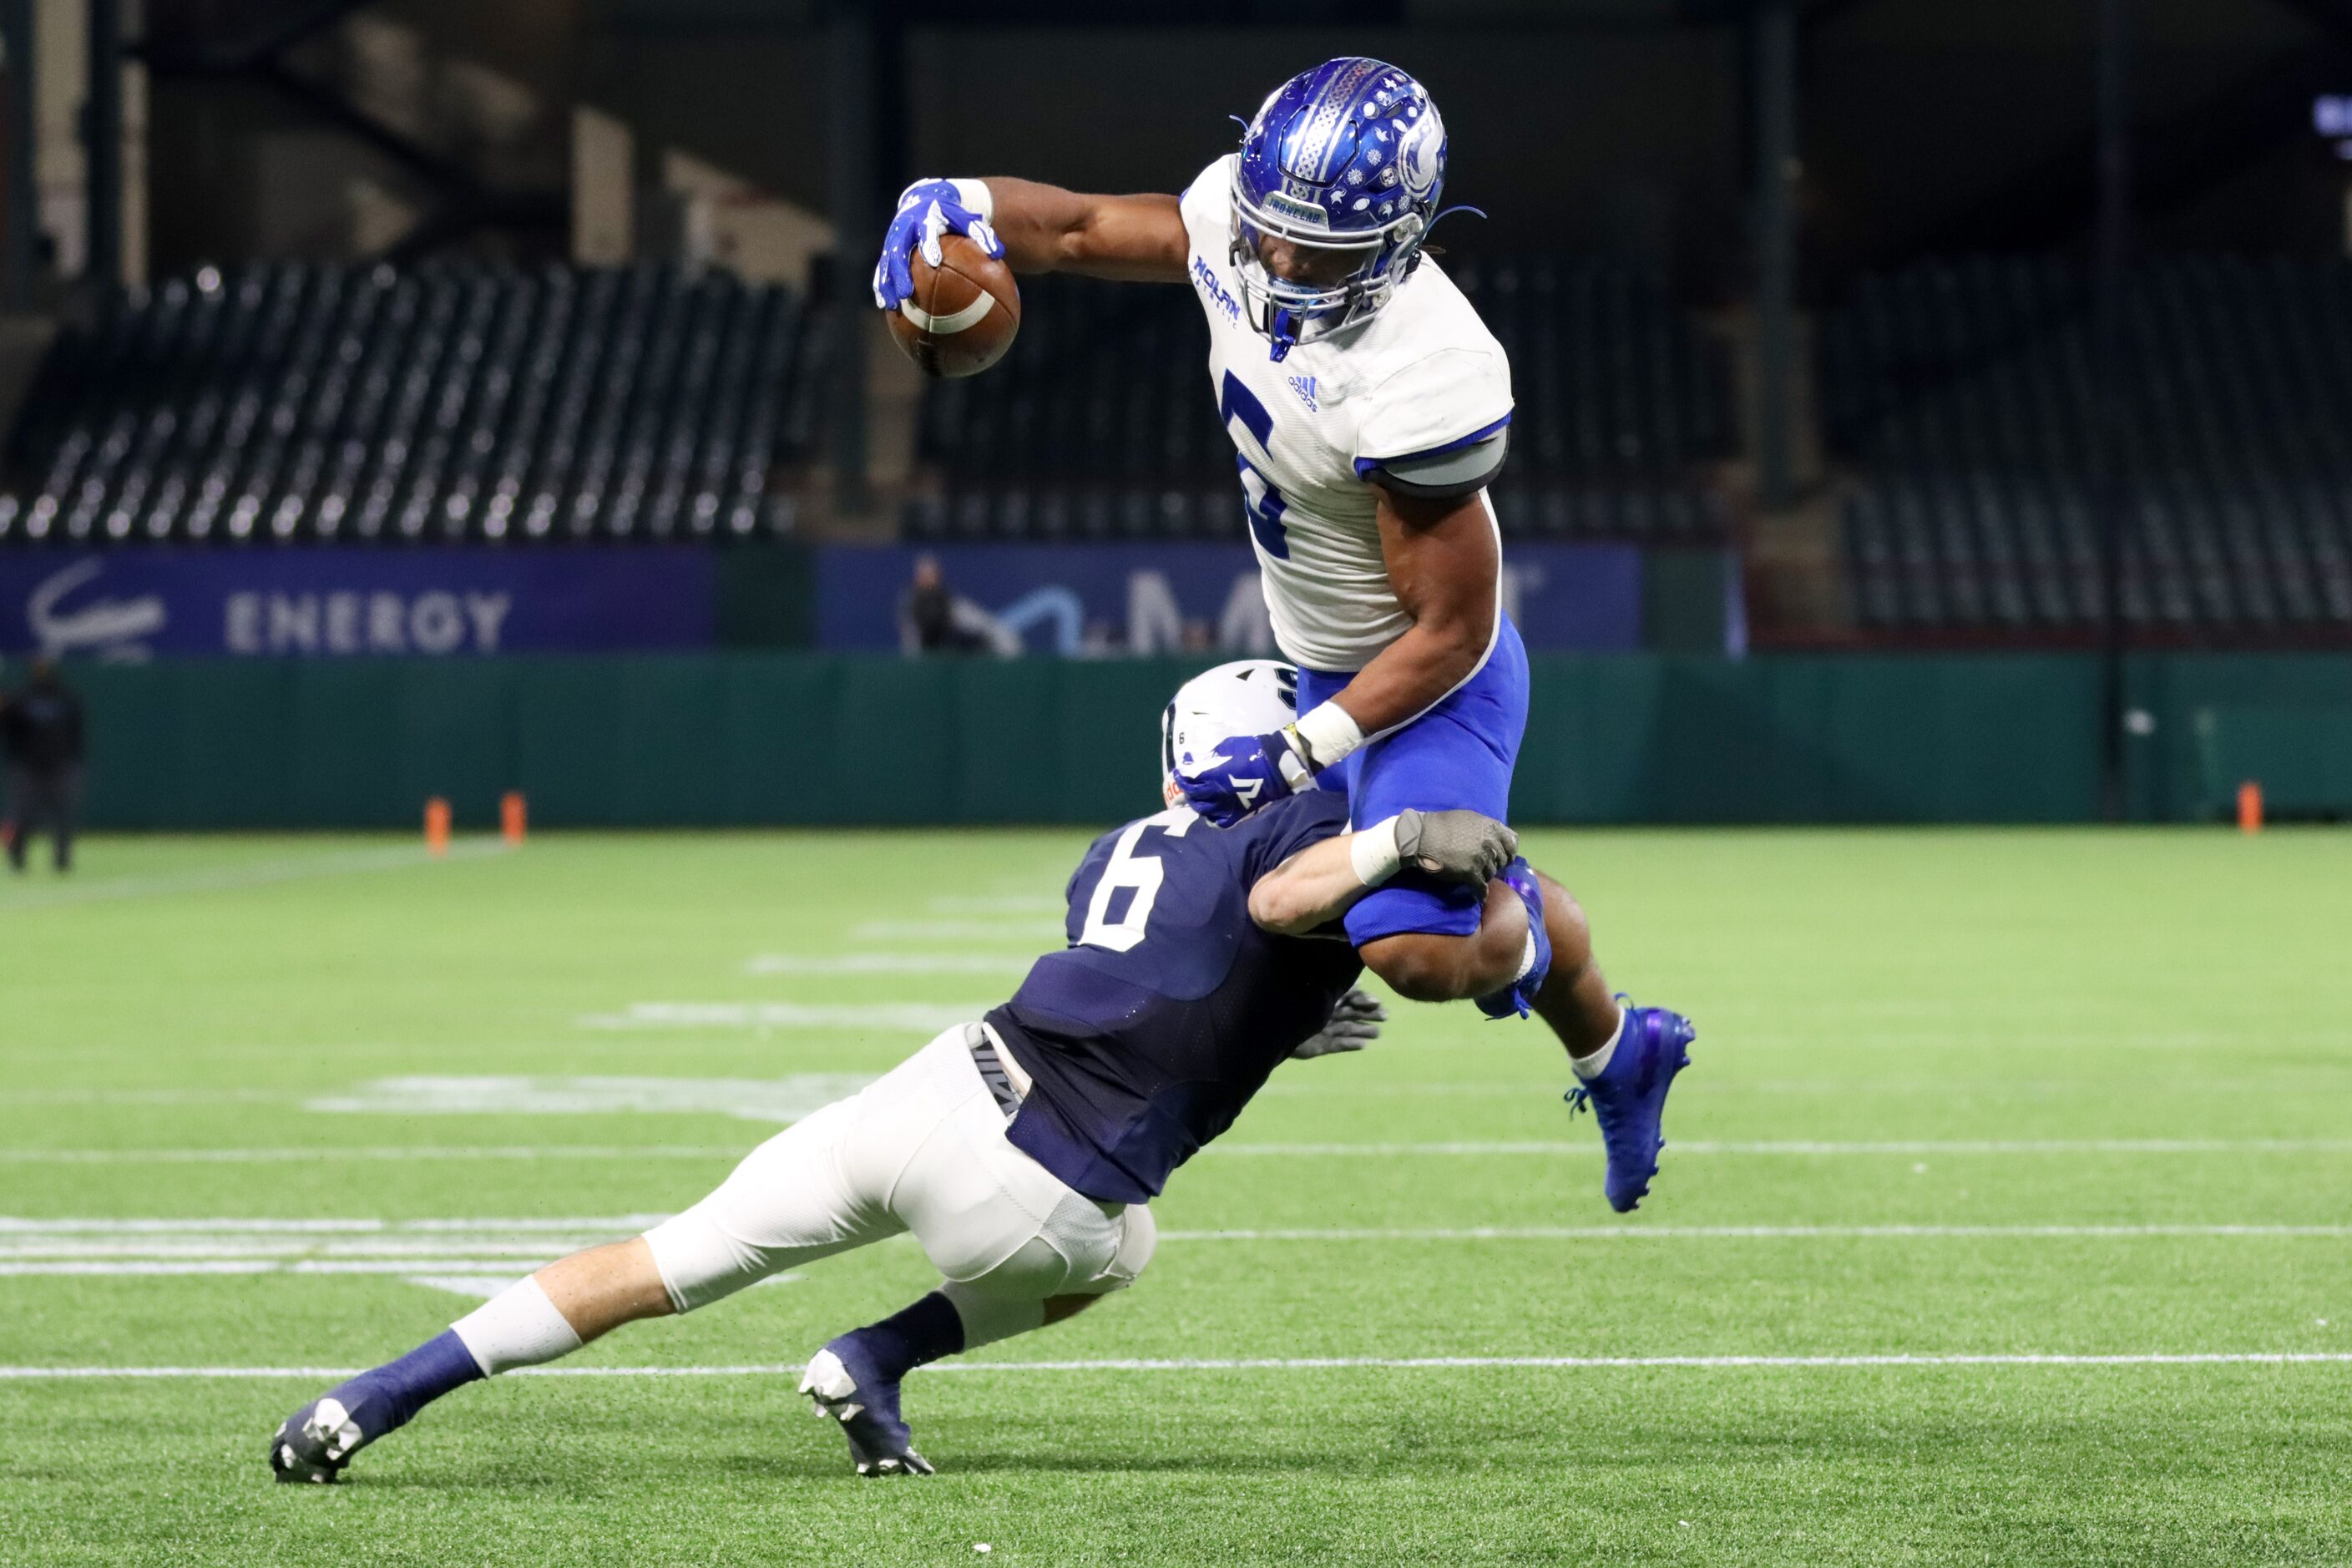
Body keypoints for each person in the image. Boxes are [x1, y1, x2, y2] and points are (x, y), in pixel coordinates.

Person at [268, 661, 1520, 1485]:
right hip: (1036, 1192)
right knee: (1125, 1250)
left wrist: (1269, 1016)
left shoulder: (1115, 846)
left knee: (660, 1261)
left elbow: (1158, 953)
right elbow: (1276, 896)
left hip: (928, 1090)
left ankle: (371, 1395)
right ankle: (875, 1350)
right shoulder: (1302, 821)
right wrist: (1400, 835)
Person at [870, 58, 1693, 1210]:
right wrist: (954, 199)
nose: (1288, 264)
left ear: (1404, 240)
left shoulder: (1430, 371)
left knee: (1409, 951)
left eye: (1325, 250)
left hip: (1421, 679)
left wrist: (1311, 746)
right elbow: (1084, 225)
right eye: (1273, 234)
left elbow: (1451, 630)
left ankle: (1608, 1026)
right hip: (1313, 646)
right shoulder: (1245, 224)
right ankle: (1360, 949)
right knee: (1217, 863)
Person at [3, 655, 85, 874]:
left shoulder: (65, 698)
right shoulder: (22, 698)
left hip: (60, 766)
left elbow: (77, 732)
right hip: (28, 766)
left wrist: (74, 762)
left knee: (64, 816)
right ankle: (17, 857)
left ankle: (62, 859)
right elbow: (10, 730)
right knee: (22, 815)